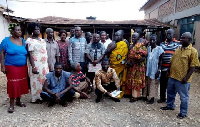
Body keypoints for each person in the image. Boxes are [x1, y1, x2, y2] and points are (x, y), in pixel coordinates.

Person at [161, 32, 200, 119]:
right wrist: (168, 71)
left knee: (183, 97)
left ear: (189, 40)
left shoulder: (193, 51)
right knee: (170, 93)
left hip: (182, 79)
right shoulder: (178, 49)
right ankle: (170, 105)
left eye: (184, 38)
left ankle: (183, 113)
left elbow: (193, 66)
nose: (181, 39)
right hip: (173, 76)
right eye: (181, 38)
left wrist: (186, 77)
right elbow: (172, 61)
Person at [0, 23, 29, 113]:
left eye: (20, 30)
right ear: (12, 31)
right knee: (13, 84)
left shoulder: (23, 41)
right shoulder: (6, 41)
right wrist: (2, 66)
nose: (19, 31)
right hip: (11, 66)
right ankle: (11, 104)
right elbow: (1, 53)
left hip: (23, 67)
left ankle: (18, 101)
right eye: (17, 30)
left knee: (20, 83)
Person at [26, 22, 49, 103]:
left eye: (38, 29)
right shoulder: (29, 40)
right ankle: (35, 98)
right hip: (36, 64)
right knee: (35, 80)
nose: (38, 30)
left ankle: (43, 96)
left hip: (44, 64)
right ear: (32, 30)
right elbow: (30, 54)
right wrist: (33, 67)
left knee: (44, 80)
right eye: (35, 29)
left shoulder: (42, 40)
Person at [158, 29, 181, 103]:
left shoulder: (178, 44)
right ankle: (162, 98)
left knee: (171, 86)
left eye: (170, 34)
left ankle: (170, 100)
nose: (168, 35)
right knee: (162, 84)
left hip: (172, 69)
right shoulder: (162, 44)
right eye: (167, 34)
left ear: (173, 35)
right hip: (163, 68)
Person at [126, 32, 147, 102]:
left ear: (138, 38)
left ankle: (135, 96)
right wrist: (129, 62)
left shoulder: (141, 46)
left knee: (137, 81)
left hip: (138, 66)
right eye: (132, 37)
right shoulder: (131, 46)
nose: (133, 38)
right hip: (131, 66)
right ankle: (131, 94)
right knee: (131, 79)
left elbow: (143, 57)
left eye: (135, 37)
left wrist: (134, 63)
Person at [143, 34, 164, 104]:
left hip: (155, 69)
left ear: (156, 40)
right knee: (147, 82)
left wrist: (159, 70)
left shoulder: (159, 49)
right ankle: (145, 96)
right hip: (148, 69)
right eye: (151, 40)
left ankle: (152, 98)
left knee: (153, 83)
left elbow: (161, 61)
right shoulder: (148, 48)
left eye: (153, 40)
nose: (152, 41)